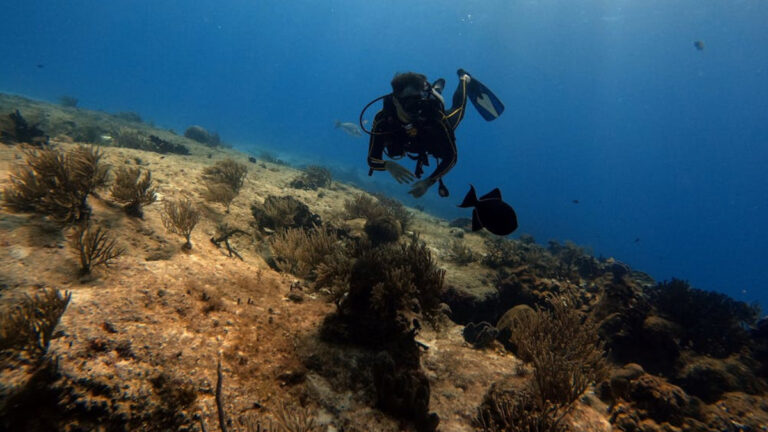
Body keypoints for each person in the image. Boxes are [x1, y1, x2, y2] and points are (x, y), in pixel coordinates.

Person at [365, 70, 472, 198]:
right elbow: (372, 160)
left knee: (459, 110)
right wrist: (388, 165)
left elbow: (451, 157)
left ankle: (464, 79)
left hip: (429, 136)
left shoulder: (435, 117)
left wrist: (429, 182)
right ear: (395, 101)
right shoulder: (383, 120)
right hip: (412, 141)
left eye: (418, 102)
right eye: (409, 104)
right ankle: (436, 88)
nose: (415, 110)